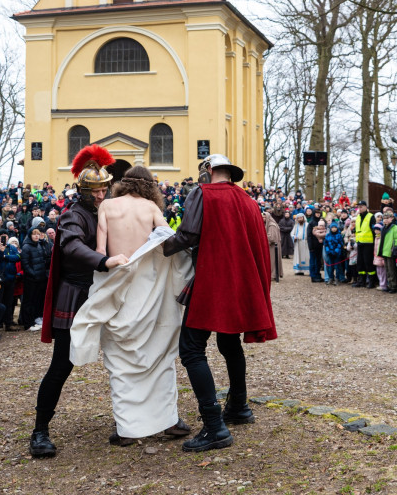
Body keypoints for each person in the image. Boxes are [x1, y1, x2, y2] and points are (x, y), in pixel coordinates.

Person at [163, 154, 277, 453]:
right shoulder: (250, 201)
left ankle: (214, 427)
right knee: (229, 343)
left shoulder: (203, 193)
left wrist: (162, 245)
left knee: (190, 348)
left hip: (215, 280)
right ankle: (239, 406)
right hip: (242, 281)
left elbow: (188, 234)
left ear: (209, 171)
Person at [72, 166, 192, 445]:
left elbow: (101, 253)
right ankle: (169, 420)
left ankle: (127, 428)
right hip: (148, 290)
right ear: (150, 187)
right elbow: (169, 243)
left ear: (122, 184)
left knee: (120, 360)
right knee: (158, 355)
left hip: (118, 285)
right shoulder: (151, 207)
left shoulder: (108, 206)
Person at [29, 145, 129, 458]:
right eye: (94, 191)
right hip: (76, 294)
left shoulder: (111, 210)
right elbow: (71, 247)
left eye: (104, 190)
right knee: (61, 366)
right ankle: (40, 431)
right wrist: (104, 261)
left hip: (108, 293)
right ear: (81, 191)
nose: (100, 196)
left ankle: (131, 421)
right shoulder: (73, 216)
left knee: (125, 359)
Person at [353, 201, 376, 288]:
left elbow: (373, 230)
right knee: (360, 262)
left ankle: (371, 281)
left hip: (368, 243)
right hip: (360, 242)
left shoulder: (371, 216)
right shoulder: (358, 216)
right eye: (359, 206)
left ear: (366, 207)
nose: (360, 208)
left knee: (368, 262)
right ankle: (361, 281)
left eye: (362, 206)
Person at [263, 211, 283, 280]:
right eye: (262, 217)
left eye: (265, 217)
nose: (263, 218)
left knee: (273, 261)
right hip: (270, 246)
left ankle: (273, 274)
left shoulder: (272, 225)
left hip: (273, 247)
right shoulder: (267, 224)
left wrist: (262, 240)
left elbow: (271, 238)